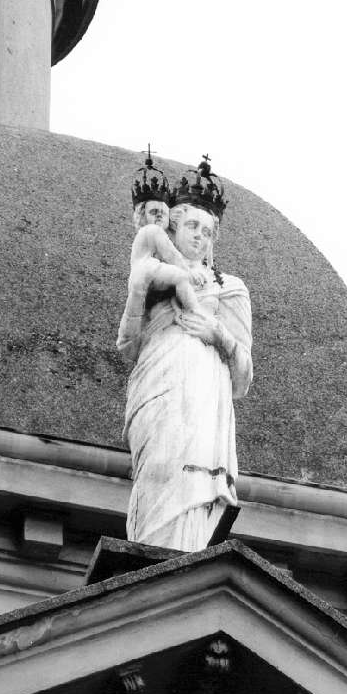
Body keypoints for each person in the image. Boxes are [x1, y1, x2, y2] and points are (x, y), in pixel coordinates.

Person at [117, 159, 253, 551]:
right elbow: (128, 344)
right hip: (156, 381)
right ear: (173, 228)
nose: (201, 238)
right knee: (159, 465)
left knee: (192, 478)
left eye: (209, 232)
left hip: (204, 391)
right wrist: (140, 288)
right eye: (193, 226)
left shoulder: (230, 290)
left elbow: (243, 377)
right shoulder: (155, 275)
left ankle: (186, 555)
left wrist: (219, 335)